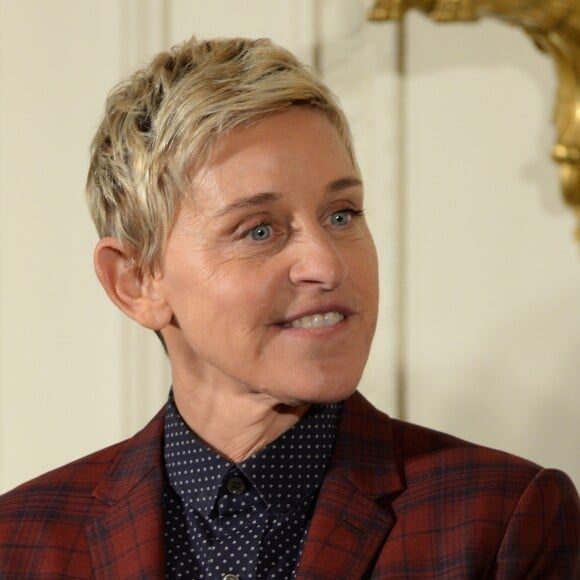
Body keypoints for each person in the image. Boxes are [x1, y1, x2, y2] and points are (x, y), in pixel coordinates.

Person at [0, 35, 578, 579]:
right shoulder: (20, 542)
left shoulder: (502, 522)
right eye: (258, 230)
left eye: (342, 215)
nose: (326, 265)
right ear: (136, 282)